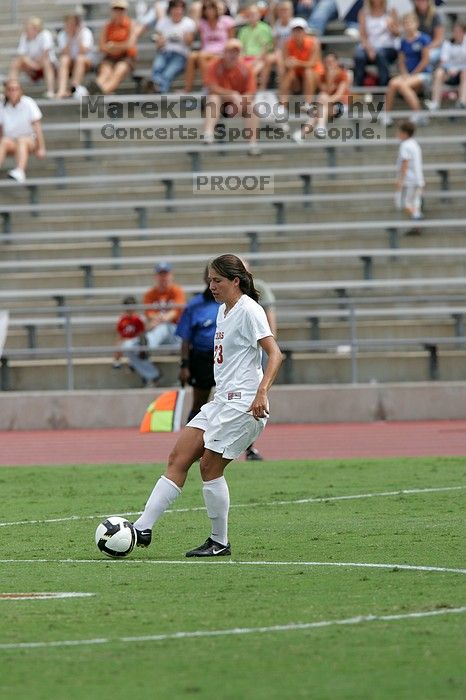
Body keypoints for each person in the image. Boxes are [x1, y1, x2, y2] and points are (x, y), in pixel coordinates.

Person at [131, 254, 283, 556]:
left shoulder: (249, 310)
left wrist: (262, 392)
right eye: (210, 280)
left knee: (209, 466)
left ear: (235, 281)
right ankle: (142, 528)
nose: (211, 286)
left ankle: (219, 541)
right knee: (178, 456)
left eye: (217, 280)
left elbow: (275, 354)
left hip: (243, 404)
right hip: (220, 402)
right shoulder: (223, 311)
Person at [203, 38, 260, 154]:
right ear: (224, 52)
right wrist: (231, 95)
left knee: (252, 107)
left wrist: (239, 102)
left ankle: (252, 144)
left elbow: (251, 92)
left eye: (236, 52)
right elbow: (212, 87)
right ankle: (208, 133)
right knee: (214, 98)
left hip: (238, 104)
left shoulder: (246, 68)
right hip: (219, 104)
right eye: (230, 52)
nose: (233, 55)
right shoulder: (214, 65)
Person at [381, 12, 432, 126]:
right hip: (409, 75)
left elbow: (425, 61)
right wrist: (404, 74)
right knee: (392, 83)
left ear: (416, 23)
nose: (408, 26)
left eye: (410, 23)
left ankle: (418, 113)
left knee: (404, 86)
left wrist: (413, 74)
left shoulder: (423, 39)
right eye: (405, 23)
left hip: (423, 75)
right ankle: (386, 115)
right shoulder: (403, 42)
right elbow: (401, 61)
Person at [293, 50, 350, 140]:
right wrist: (329, 77)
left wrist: (320, 104)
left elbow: (338, 95)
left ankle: (303, 132)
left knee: (319, 106)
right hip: (326, 106)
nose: (329, 64)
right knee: (321, 103)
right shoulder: (323, 75)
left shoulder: (343, 74)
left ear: (337, 62)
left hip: (341, 105)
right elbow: (327, 90)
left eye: (331, 62)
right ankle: (317, 128)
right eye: (327, 62)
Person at [183, 1, 235, 93]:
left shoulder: (227, 21)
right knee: (191, 56)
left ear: (216, 9)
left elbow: (231, 40)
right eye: (206, 8)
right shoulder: (202, 23)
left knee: (201, 56)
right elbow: (192, 29)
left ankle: (207, 86)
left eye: (211, 8)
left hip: (221, 53)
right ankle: (187, 89)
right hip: (206, 52)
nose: (209, 11)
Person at [0, 79, 46, 184]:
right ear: (6, 92)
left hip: (29, 141)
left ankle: (20, 171)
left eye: (16, 89)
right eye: (10, 89)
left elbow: (37, 127)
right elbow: (1, 129)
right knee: (4, 141)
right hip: (11, 141)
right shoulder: (2, 105)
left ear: (21, 91)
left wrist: (41, 148)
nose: (13, 92)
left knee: (22, 140)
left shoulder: (29, 103)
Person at [89, 0, 137, 95]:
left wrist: (113, 46)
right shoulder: (107, 26)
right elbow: (101, 46)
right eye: (116, 9)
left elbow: (130, 45)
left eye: (121, 9)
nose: (118, 12)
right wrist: (116, 47)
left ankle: (101, 92)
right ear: (112, 11)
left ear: (125, 11)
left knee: (119, 71)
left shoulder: (130, 24)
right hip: (110, 57)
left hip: (126, 57)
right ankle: (95, 91)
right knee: (105, 73)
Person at [151, 0, 196, 93]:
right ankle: (159, 91)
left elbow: (190, 43)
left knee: (167, 74)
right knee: (157, 68)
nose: (177, 11)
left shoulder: (188, 23)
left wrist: (184, 38)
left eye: (180, 8)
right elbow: (158, 45)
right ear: (170, 9)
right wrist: (160, 41)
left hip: (180, 55)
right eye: (175, 8)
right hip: (164, 53)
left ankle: (159, 94)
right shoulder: (163, 22)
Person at [280, 17, 324, 111]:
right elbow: (285, 62)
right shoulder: (287, 43)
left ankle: (308, 102)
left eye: (300, 30)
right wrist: (288, 63)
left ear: (305, 31)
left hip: (314, 75)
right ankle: (282, 106)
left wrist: (296, 63)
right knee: (288, 73)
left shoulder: (313, 42)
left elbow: (313, 63)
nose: (298, 33)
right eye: (295, 30)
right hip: (297, 76)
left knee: (308, 72)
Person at [353, 0, 399, 87]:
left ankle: (383, 88)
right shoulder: (363, 12)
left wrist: (391, 27)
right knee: (359, 56)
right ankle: (360, 88)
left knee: (380, 54)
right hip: (369, 47)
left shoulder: (391, 11)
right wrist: (369, 49)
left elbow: (397, 34)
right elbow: (362, 35)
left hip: (387, 47)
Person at [10, 17, 57, 99]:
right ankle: (12, 90)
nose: (27, 30)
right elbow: (21, 55)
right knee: (16, 62)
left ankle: (50, 91)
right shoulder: (24, 36)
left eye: (29, 28)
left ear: (36, 28)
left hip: (47, 66)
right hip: (32, 68)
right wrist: (33, 65)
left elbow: (45, 53)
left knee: (46, 61)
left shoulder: (45, 34)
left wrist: (36, 65)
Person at [425, 22, 466, 111]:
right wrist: (449, 69)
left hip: (463, 73)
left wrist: (458, 69)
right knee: (439, 73)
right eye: (455, 31)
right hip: (449, 73)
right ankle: (435, 103)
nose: (457, 34)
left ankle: (462, 102)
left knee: (464, 73)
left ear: (464, 32)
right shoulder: (447, 43)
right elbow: (443, 61)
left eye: (459, 31)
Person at [55, 13, 95, 99]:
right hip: (71, 62)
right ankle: (61, 90)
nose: (70, 26)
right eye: (68, 23)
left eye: (72, 23)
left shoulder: (85, 32)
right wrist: (69, 38)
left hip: (85, 62)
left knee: (80, 59)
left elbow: (83, 51)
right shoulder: (62, 34)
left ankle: (73, 89)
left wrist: (78, 36)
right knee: (64, 59)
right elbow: (65, 53)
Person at [395, 120, 424, 229]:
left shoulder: (405, 145)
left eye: (399, 132)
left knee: (405, 204)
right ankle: (416, 225)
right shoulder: (415, 144)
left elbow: (405, 164)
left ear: (405, 133)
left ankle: (418, 218)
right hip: (418, 179)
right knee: (415, 204)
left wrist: (400, 180)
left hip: (409, 180)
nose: (397, 134)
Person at [260, 0, 294, 92]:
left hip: (291, 53)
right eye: (281, 10)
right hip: (279, 52)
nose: (284, 12)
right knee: (268, 59)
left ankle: (281, 86)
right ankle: (262, 88)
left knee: (279, 57)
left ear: (291, 11)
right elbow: (275, 45)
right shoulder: (277, 25)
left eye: (286, 10)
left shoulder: (295, 24)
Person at [238, 4, 274, 82]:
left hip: (260, 59)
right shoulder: (243, 30)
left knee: (251, 72)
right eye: (250, 14)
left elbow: (266, 47)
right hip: (245, 58)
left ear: (259, 15)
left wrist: (255, 60)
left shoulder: (265, 28)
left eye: (254, 14)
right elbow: (241, 47)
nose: (252, 16)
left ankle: (259, 90)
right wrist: (241, 59)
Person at [112, 295, 146, 369]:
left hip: (134, 341)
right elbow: (119, 334)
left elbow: (140, 334)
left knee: (133, 345)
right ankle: (117, 361)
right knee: (119, 345)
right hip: (125, 340)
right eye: (128, 308)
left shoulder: (138, 319)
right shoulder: (122, 319)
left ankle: (133, 362)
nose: (130, 310)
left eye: (132, 308)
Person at [413, 0, 444, 69]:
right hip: (418, 46)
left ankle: (426, 76)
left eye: (424, 1)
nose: (421, 2)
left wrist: (426, 48)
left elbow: (439, 40)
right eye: (419, 1)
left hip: (432, 47)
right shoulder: (413, 15)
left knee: (428, 57)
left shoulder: (435, 16)